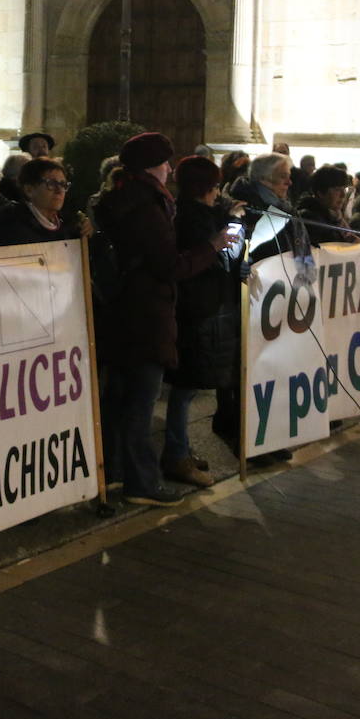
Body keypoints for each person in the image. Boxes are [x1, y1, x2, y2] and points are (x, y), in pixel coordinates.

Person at [94, 132, 235, 506]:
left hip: (122, 313)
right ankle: (142, 484)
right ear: (150, 167)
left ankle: (116, 474)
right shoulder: (147, 205)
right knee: (140, 402)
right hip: (145, 315)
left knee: (119, 400)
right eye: (165, 163)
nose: (170, 169)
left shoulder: (120, 198)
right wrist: (211, 247)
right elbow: (168, 265)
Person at [165, 155, 244, 488]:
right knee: (185, 388)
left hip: (203, 309)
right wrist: (226, 233)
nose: (217, 191)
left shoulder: (201, 215)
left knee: (189, 387)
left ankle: (180, 448)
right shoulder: (192, 220)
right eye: (214, 186)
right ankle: (176, 455)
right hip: (197, 311)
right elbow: (216, 259)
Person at [0, 157, 89, 246]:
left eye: (63, 184)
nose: (59, 190)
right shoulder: (9, 226)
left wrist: (88, 235)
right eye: (51, 184)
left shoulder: (70, 224)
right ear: (29, 190)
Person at [297, 166, 357, 246]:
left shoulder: (336, 217)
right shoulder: (311, 220)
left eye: (344, 189)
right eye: (337, 189)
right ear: (321, 193)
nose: (343, 195)